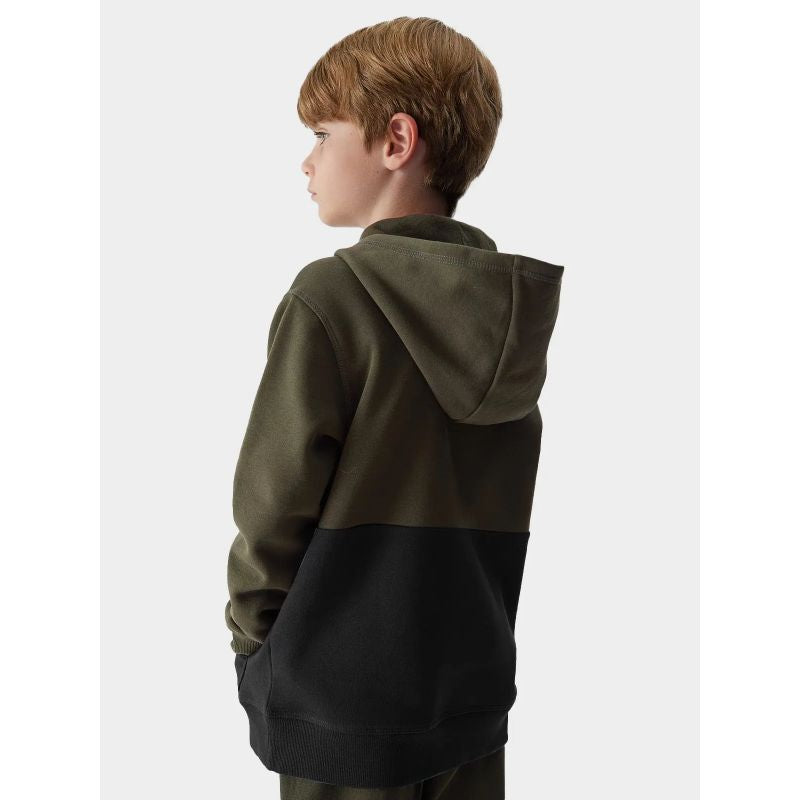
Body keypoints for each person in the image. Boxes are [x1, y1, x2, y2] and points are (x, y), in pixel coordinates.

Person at [224, 15, 565, 800]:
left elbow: (273, 504)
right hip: (469, 704)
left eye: (322, 133)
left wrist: (254, 646)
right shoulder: (506, 316)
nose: (307, 160)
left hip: (339, 711)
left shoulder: (332, 298)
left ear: (396, 141)